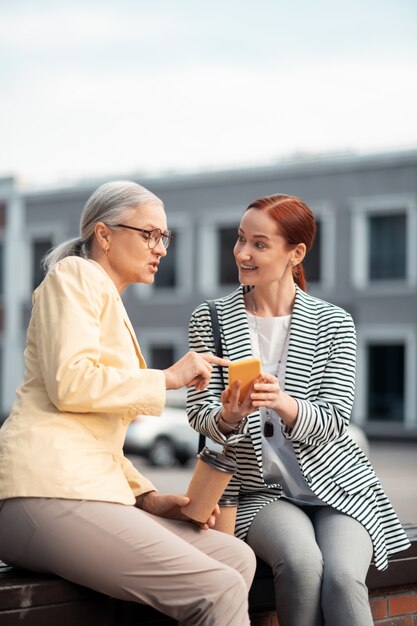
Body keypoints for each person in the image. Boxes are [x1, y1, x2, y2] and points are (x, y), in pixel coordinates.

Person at [0, 181, 257, 626]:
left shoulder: (106, 297)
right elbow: (70, 383)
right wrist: (167, 378)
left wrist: (151, 498)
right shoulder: (74, 276)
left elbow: (96, 437)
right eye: (148, 234)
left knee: (235, 557)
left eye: (165, 237)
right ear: (104, 234)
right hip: (41, 492)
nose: (160, 248)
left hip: (85, 491)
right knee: (220, 587)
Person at [187, 193, 411, 626]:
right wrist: (230, 416)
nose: (243, 253)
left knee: (344, 579)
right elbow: (199, 416)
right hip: (259, 492)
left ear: (297, 253)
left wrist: (284, 404)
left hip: (340, 490)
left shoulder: (334, 322)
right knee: (303, 564)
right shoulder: (210, 318)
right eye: (240, 239)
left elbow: (333, 420)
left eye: (259, 243)